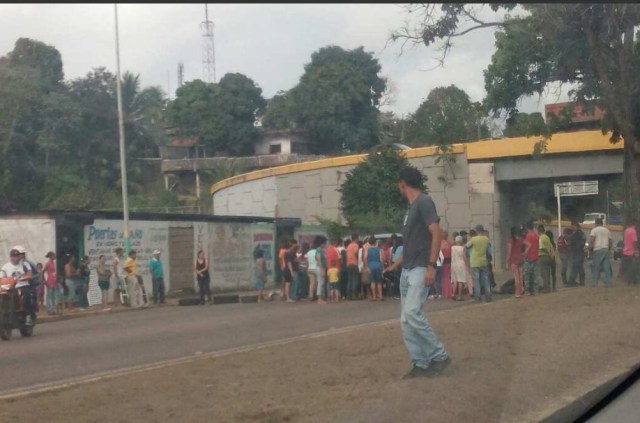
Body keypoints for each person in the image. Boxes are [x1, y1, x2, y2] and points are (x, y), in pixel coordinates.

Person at [383, 166, 451, 378]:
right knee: (406, 320)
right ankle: (420, 362)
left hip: (421, 267)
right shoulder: (411, 209)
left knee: (412, 312)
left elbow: (436, 233)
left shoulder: (423, 202)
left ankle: (438, 355)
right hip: (408, 269)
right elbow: (411, 243)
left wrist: (431, 265)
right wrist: (395, 265)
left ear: (403, 183)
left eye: (398, 184)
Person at [0, 248, 35, 325]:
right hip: (10, 286)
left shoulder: (24, 264)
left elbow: (30, 274)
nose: (15, 258)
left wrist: (25, 277)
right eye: (13, 256)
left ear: (19, 257)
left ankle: (28, 316)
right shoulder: (5, 266)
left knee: (27, 295)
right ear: (10, 257)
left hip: (22, 285)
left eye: (16, 256)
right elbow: (1, 277)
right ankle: (4, 311)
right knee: (2, 294)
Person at [466, 225, 492, 303]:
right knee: (485, 279)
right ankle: (488, 295)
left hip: (475, 261)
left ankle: (478, 296)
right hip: (483, 261)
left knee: (476, 280)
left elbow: (467, 246)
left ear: (477, 231)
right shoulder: (486, 239)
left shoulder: (474, 239)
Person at [589, 217, 613, 287]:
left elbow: (592, 240)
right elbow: (610, 241)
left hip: (597, 250)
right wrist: (609, 249)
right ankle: (609, 283)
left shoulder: (594, 230)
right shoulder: (607, 230)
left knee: (596, 267)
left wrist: (589, 249)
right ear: (602, 223)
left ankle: (594, 283)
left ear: (596, 223)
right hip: (605, 249)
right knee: (606, 268)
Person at [506, 227, 525, 298]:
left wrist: (507, 261)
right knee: (521, 276)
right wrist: (524, 253)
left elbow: (509, 252)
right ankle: (521, 289)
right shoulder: (521, 239)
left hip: (513, 260)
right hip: (520, 259)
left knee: (516, 278)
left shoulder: (510, 240)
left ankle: (517, 292)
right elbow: (529, 245)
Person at [522, 221, 540, 295]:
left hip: (529, 257)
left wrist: (524, 253)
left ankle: (527, 291)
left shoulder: (528, 235)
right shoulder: (536, 235)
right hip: (536, 256)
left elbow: (528, 246)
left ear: (527, 227)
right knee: (535, 275)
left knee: (527, 276)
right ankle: (535, 291)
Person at [567, 220, 586, 286]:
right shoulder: (580, 233)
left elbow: (578, 243)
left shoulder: (578, 234)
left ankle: (572, 281)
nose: (571, 227)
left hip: (577, 252)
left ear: (575, 226)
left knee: (576, 267)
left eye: (572, 226)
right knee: (579, 267)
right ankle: (581, 281)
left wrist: (574, 248)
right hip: (579, 252)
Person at [537, 226, 555, 292]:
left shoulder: (541, 238)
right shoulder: (547, 237)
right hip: (548, 257)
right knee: (547, 272)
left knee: (543, 273)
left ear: (539, 231)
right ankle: (548, 287)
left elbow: (542, 248)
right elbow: (551, 246)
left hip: (542, 256)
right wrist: (551, 255)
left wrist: (548, 253)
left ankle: (546, 288)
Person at [365, 237, 384, 301]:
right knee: (379, 282)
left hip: (371, 266)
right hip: (378, 266)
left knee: (372, 282)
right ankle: (381, 296)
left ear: (369, 243)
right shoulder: (379, 249)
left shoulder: (367, 250)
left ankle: (374, 296)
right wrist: (382, 267)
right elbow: (381, 259)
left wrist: (367, 266)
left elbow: (365, 258)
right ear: (376, 242)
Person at [451, 236, 468, 301]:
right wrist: (467, 264)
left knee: (455, 280)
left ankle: (453, 294)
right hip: (461, 263)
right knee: (461, 280)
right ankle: (459, 295)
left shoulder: (452, 248)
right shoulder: (463, 248)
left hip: (454, 263)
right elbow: (464, 257)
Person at [621, 218, 639, 285]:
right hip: (632, 252)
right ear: (635, 224)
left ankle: (629, 281)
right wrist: (636, 251)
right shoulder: (633, 231)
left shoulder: (626, 230)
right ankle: (633, 281)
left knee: (628, 268)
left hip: (626, 251)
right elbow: (634, 242)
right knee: (634, 268)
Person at [346, 234, 360, 301]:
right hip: (354, 263)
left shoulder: (349, 246)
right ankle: (354, 294)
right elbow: (355, 253)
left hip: (348, 263)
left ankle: (349, 295)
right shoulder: (356, 245)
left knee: (349, 279)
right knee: (355, 279)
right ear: (356, 238)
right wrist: (357, 258)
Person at [315, 237, 328, 304]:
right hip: (320, 268)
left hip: (322, 267)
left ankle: (320, 298)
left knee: (321, 283)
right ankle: (319, 299)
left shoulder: (321, 250)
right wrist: (322, 269)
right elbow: (319, 260)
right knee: (320, 283)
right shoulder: (319, 250)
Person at [440, 231, 452, 299]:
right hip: (449, 261)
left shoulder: (441, 243)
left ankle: (445, 292)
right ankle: (449, 292)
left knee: (443, 277)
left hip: (443, 261)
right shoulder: (449, 243)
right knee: (447, 277)